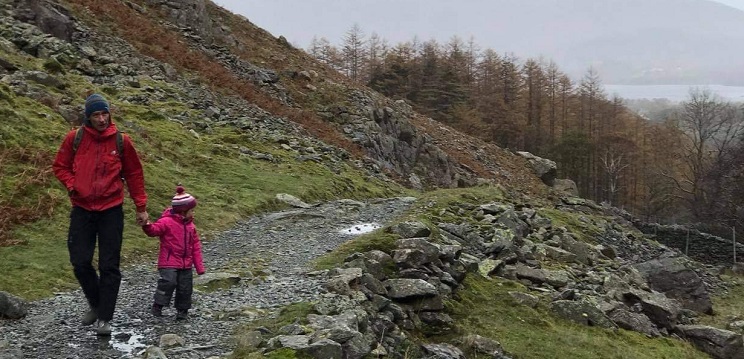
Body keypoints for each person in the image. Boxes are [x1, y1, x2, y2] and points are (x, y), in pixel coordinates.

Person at [53, 93, 149, 336]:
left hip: (111, 210)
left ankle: (104, 318)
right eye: (96, 114)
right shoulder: (74, 138)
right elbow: (60, 166)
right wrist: (73, 185)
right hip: (82, 209)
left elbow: (135, 174)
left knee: (109, 266)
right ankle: (96, 304)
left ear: (110, 114)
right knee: (80, 262)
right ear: (88, 117)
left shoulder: (121, 141)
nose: (101, 118)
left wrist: (141, 207)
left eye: (104, 113)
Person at [142, 185, 205, 321]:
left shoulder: (191, 227)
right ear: (183, 211)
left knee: (185, 287)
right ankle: (158, 305)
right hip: (168, 262)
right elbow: (153, 230)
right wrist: (146, 224)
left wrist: (199, 267)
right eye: (191, 210)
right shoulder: (166, 222)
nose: (193, 213)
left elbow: (196, 247)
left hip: (186, 264)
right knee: (168, 282)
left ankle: (182, 311)